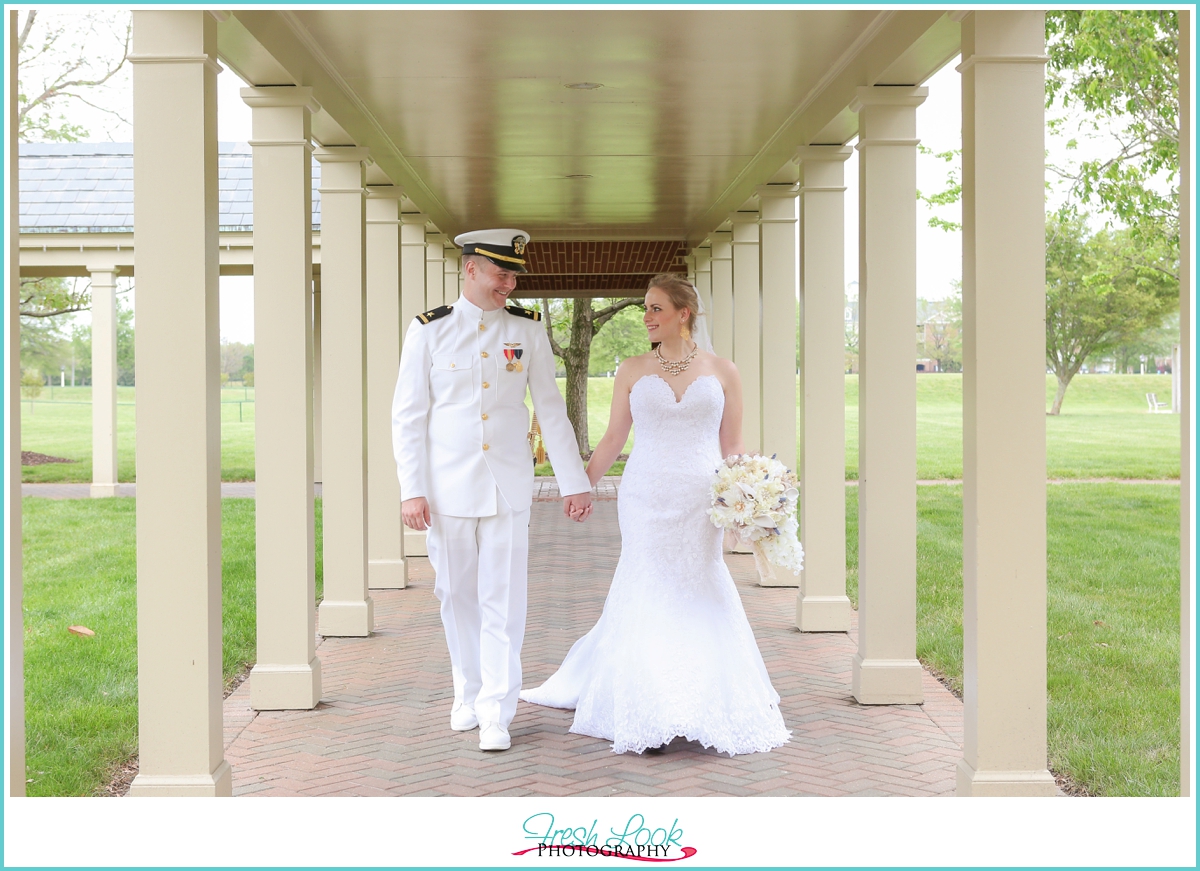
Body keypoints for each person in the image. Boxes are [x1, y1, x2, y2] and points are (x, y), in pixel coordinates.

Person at [519, 273, 790, 756]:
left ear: (683, 314)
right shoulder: (632, 369)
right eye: (644, 308)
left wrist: (749, 498)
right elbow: (612, 439)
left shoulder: (724, 371)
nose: (646, 317)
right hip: (644, 496)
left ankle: (699, 699)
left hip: (699, 499)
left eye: (655, 308)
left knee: (698, 583)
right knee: (647, 584)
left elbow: (733, 445)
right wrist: (579, 485)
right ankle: (648, 705)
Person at [392, 228, 593, 753]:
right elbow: (408, 417)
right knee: (456, 596)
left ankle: (496, 712)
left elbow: (550, 408)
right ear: (471, 270)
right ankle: (468, 692)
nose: (508, 283)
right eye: (500, 273)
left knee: (503, 602)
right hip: (446, 489)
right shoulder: (429, 331)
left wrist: (573, 481)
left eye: (514, 275)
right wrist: (411, 489)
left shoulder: (526, 330)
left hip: (508, 487)